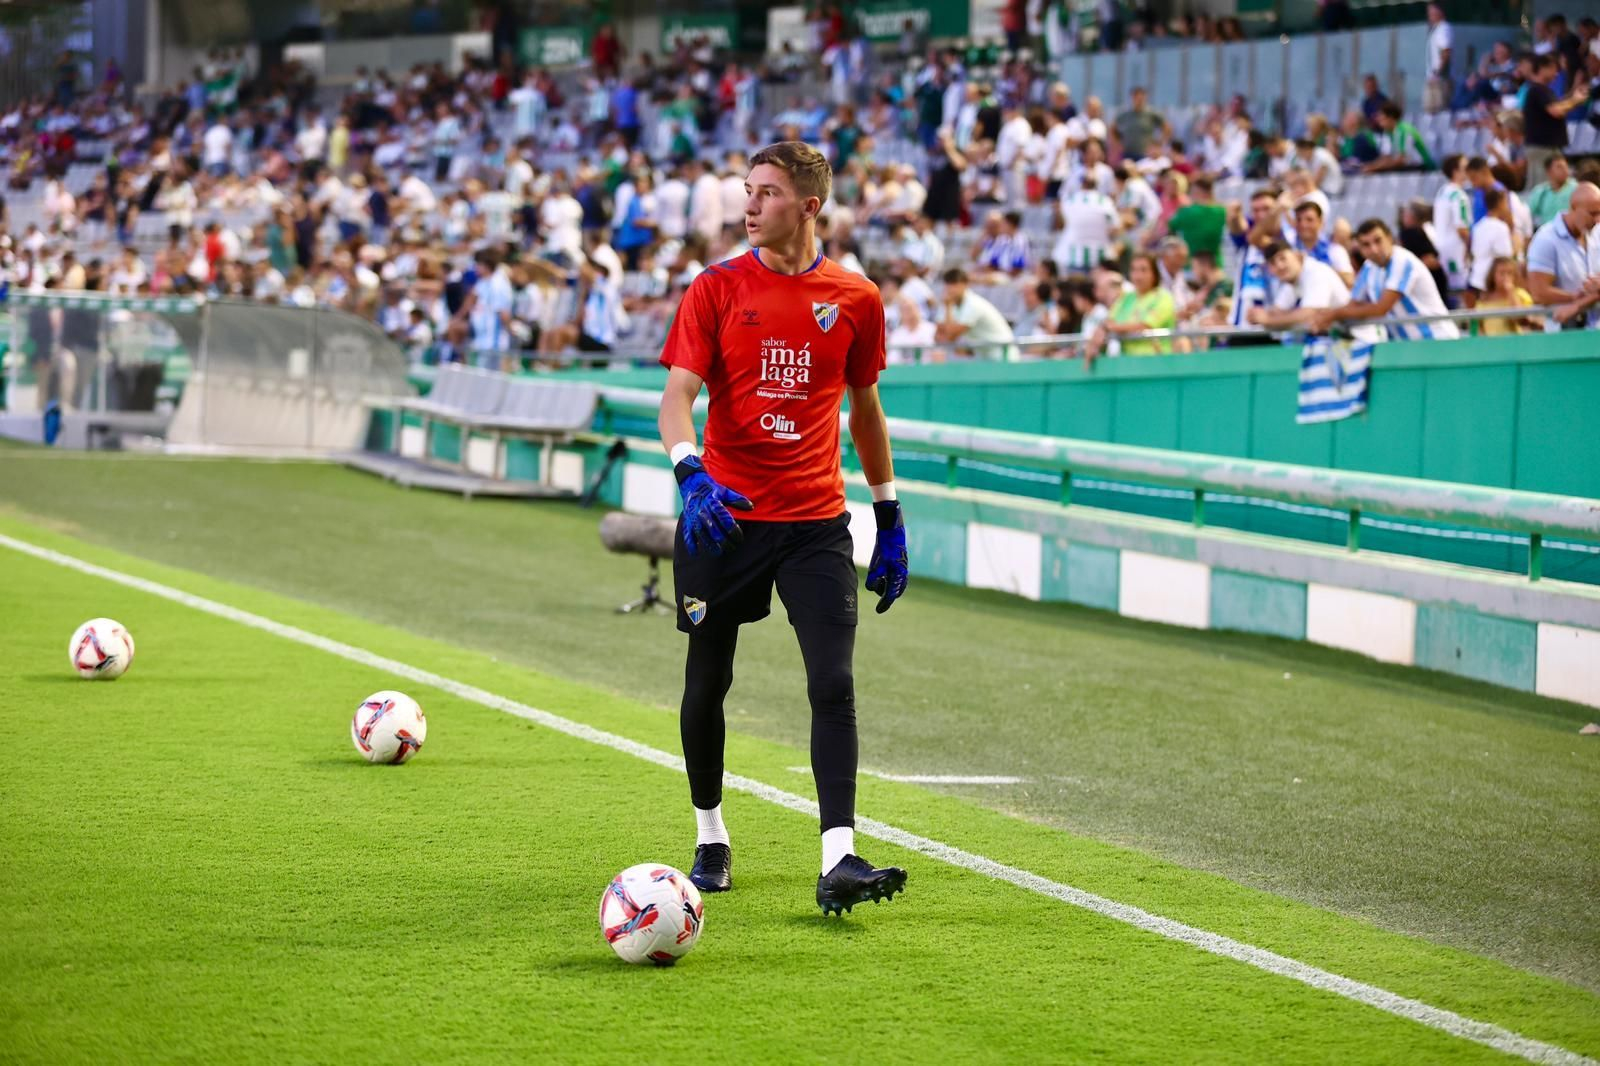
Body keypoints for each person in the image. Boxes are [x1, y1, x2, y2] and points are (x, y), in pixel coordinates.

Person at [655, 140, 909, 915]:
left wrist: (889, 510)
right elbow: (675, 400)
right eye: (746, 190)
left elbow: (864, 408)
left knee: (833, 682)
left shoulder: (857, 297)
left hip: (814, 524)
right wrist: (688, 469)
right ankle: (710, 834)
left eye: (765, 192)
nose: (749, 204)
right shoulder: (716, 287)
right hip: (722, 520)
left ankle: (839, 856)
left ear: (809, 205)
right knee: (709, 682)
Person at [1312, 219, 1460, 340]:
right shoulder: (1369, 267)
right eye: (1366, 245)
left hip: (1439, 340)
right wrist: (1327, 315)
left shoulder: (1402, 260)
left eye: (1378, 241)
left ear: (1390, 239)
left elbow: (1381, 308)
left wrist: (1335, 314)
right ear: (1360, 249)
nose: (1374, 249)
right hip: (1408, 348)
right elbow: (1353, 304)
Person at [1525, 182, 1600, 328]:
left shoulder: (1597, 232)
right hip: (1563, 333)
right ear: (1573, 207)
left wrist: (1579, 304)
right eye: (1592, 213)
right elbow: (1538, 292)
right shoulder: (1546, 239)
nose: (1597, 220)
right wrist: (1575, 298)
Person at [1522, 54, 1588, 182]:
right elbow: (1556, 110)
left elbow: (1557, 104)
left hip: (1546, 148)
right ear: (1542, 68)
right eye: (1553, 69)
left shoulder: (1542, 91)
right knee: (1543, 186)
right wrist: (1575, 100)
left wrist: (1574, 92)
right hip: (1543, 148)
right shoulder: (1538, 90)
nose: (1556, 74)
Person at [1098, 253, 1177, 356]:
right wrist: (1102, 330)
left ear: (1154, 273)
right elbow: (1109, 321)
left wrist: (1112, 328)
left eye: (1143, 270)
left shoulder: (1164, 297)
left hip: (1156, 362)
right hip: (1128, 363)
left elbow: (1144, 326)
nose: (1138, 276)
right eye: (1134, 270)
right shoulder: (1126, 298)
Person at [935, 267, 1017, 359]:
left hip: (1003, 356)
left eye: (955, 284)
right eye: (948, 284)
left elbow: (950, 336)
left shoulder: (973, 305)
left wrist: (948, 308)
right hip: (985, 358)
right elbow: (939, 335)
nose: (951, 289)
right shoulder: (948, 304)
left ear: (965, 285)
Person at [1432, 154, 1473, 293]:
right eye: (1465, 167)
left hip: (1441, 248)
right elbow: (1462, 228)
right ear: (1456, 171)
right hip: (1456, 250)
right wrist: (1470, 247)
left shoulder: (1442, 191)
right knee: (1461, 291)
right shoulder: (1459, 196)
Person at [1474, 256, 1537, 335]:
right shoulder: (1484, 298)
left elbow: (1520, 318)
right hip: (1492, 344)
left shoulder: (1520, 294)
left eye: (1510, 273)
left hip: (1514, 343)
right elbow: (1478, 325)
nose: (1506, 277)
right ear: (1493, 275)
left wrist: (1510, 292)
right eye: (1502, 273)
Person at [1525, 152, 1576, 229]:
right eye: (1559, 167)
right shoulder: (1540, 192)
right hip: (1546, 233)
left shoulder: (1576, 189)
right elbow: (1528, 213)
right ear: (1549, 171)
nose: (1565, 170)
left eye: (1566, 166)